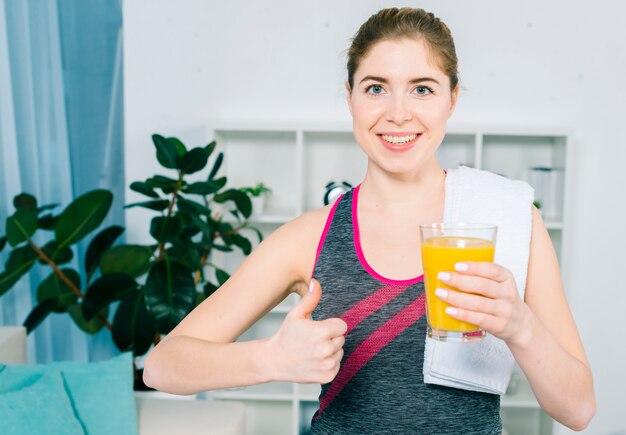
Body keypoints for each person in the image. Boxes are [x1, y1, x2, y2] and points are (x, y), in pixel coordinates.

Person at [143, 7, 595, 434]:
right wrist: (270, 359)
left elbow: (577, 409)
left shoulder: (508, 219)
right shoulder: (309, 238)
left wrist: (521, 325)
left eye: (423, 88)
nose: (398, 113)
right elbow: (163, 366)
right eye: (376, 88)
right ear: (351, 98)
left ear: (452, 99)